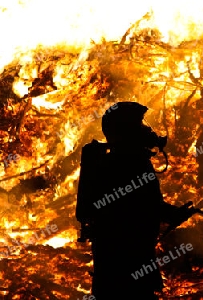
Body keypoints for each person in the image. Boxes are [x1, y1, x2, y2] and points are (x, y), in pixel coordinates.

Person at [76, 101, 194, 299]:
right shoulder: (129, 163)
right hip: (128, 263)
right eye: (140, 124)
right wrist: (173, 214)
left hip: (116, 265)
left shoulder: (117, 161)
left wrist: (172, 214)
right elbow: (143, 206)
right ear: (127, 130)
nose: (146, 129)